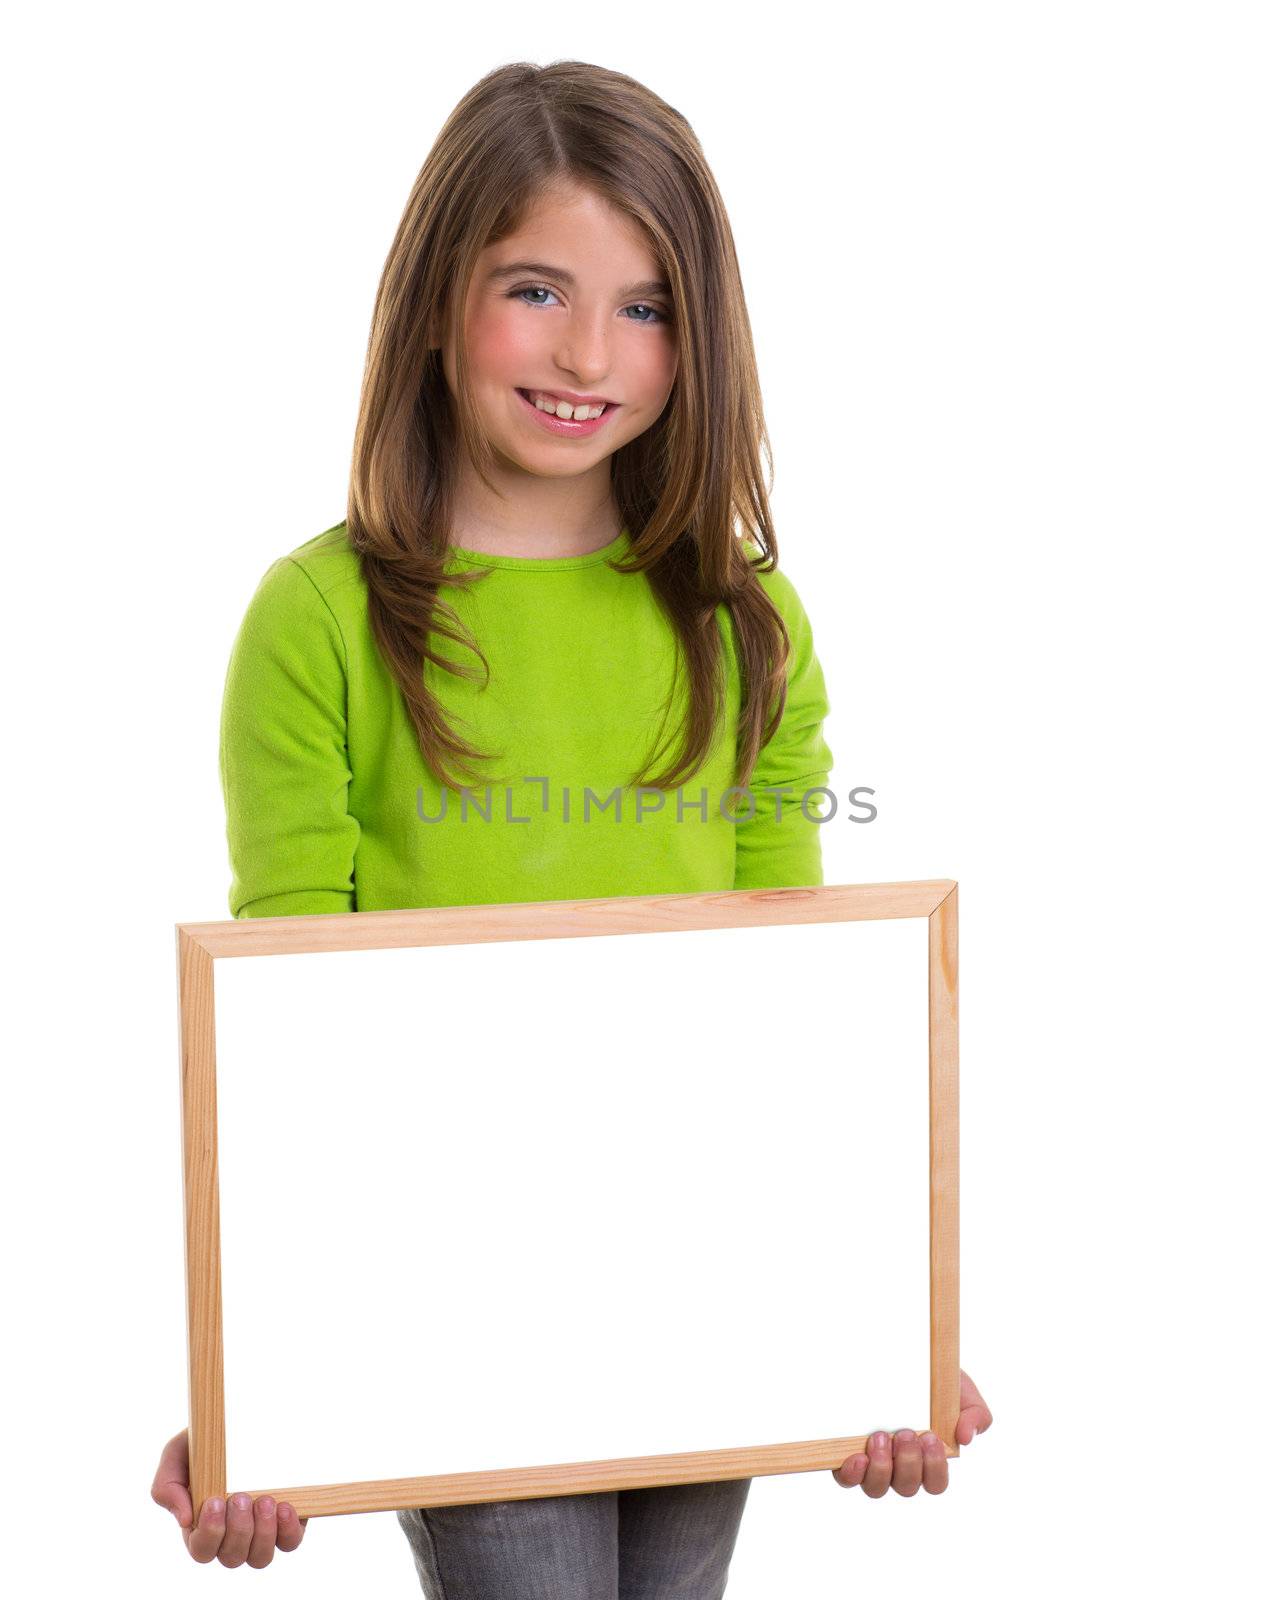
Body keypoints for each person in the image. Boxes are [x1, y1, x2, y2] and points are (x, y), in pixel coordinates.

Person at [151, 57, 993, 1595]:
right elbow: (291, 1038)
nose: (589, 351)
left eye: (647, 304)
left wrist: (885, 1326)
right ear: (431, 300)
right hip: (452, 1296)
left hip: (706, 1280)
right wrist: (251, 1388)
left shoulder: (746, 624)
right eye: (535, 288)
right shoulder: (319, 619)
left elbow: (787, 1013)